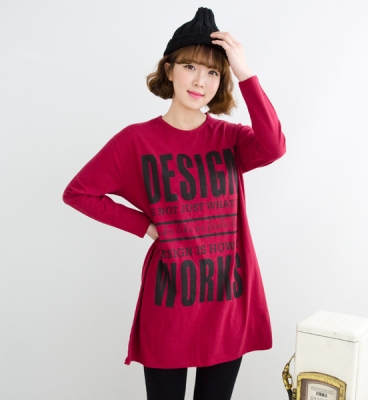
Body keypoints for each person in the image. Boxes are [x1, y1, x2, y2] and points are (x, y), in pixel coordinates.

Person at [62, 7, 286, 400]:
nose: (200, 81)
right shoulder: (136, 141)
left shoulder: (230, 139)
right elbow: (79, 193)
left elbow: (274, 146)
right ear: (169, 70)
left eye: (213, 72)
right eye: (190, 67)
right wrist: (145, 226)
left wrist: (245, 72)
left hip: (227, 302)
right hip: (169, 303)